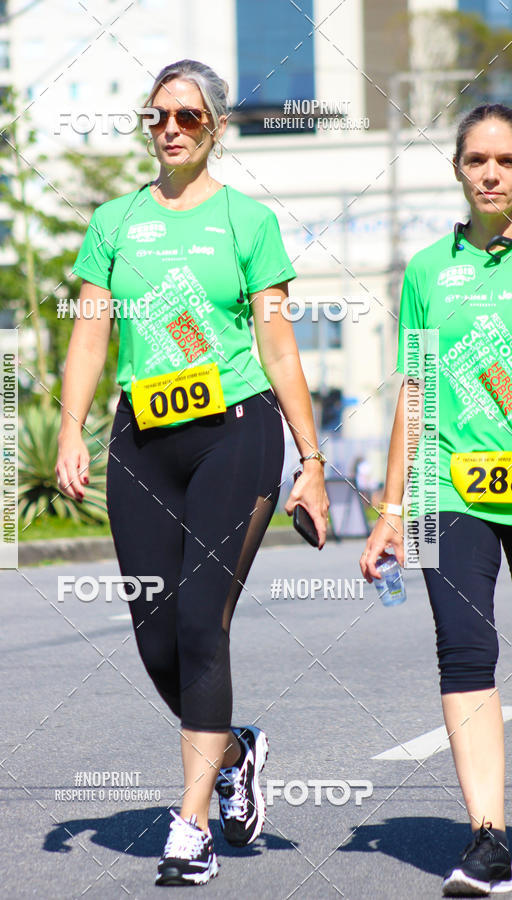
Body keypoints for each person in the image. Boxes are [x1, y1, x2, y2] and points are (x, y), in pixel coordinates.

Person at [56, 59, 329, 887]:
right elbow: (90, 336)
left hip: (234, 431)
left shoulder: (248, 223)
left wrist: (312, 462)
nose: (170, 128)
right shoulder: (113, 221)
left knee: (203, 621)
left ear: (215, 126)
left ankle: (192, 824)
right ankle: (237, 750)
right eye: (157, 115)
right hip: (142, 438)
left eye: (188, 115)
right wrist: (71, 429)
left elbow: (277, 343)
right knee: (155, 627)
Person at [360, 103, 512, 897]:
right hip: (448, 491)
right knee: (463, 652)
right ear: (457, 169)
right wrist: (390, 510)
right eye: (478, 160)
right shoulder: (425, 272)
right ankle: (488, 838)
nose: (492, 174)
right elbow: (413, 395)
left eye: (508, 162)